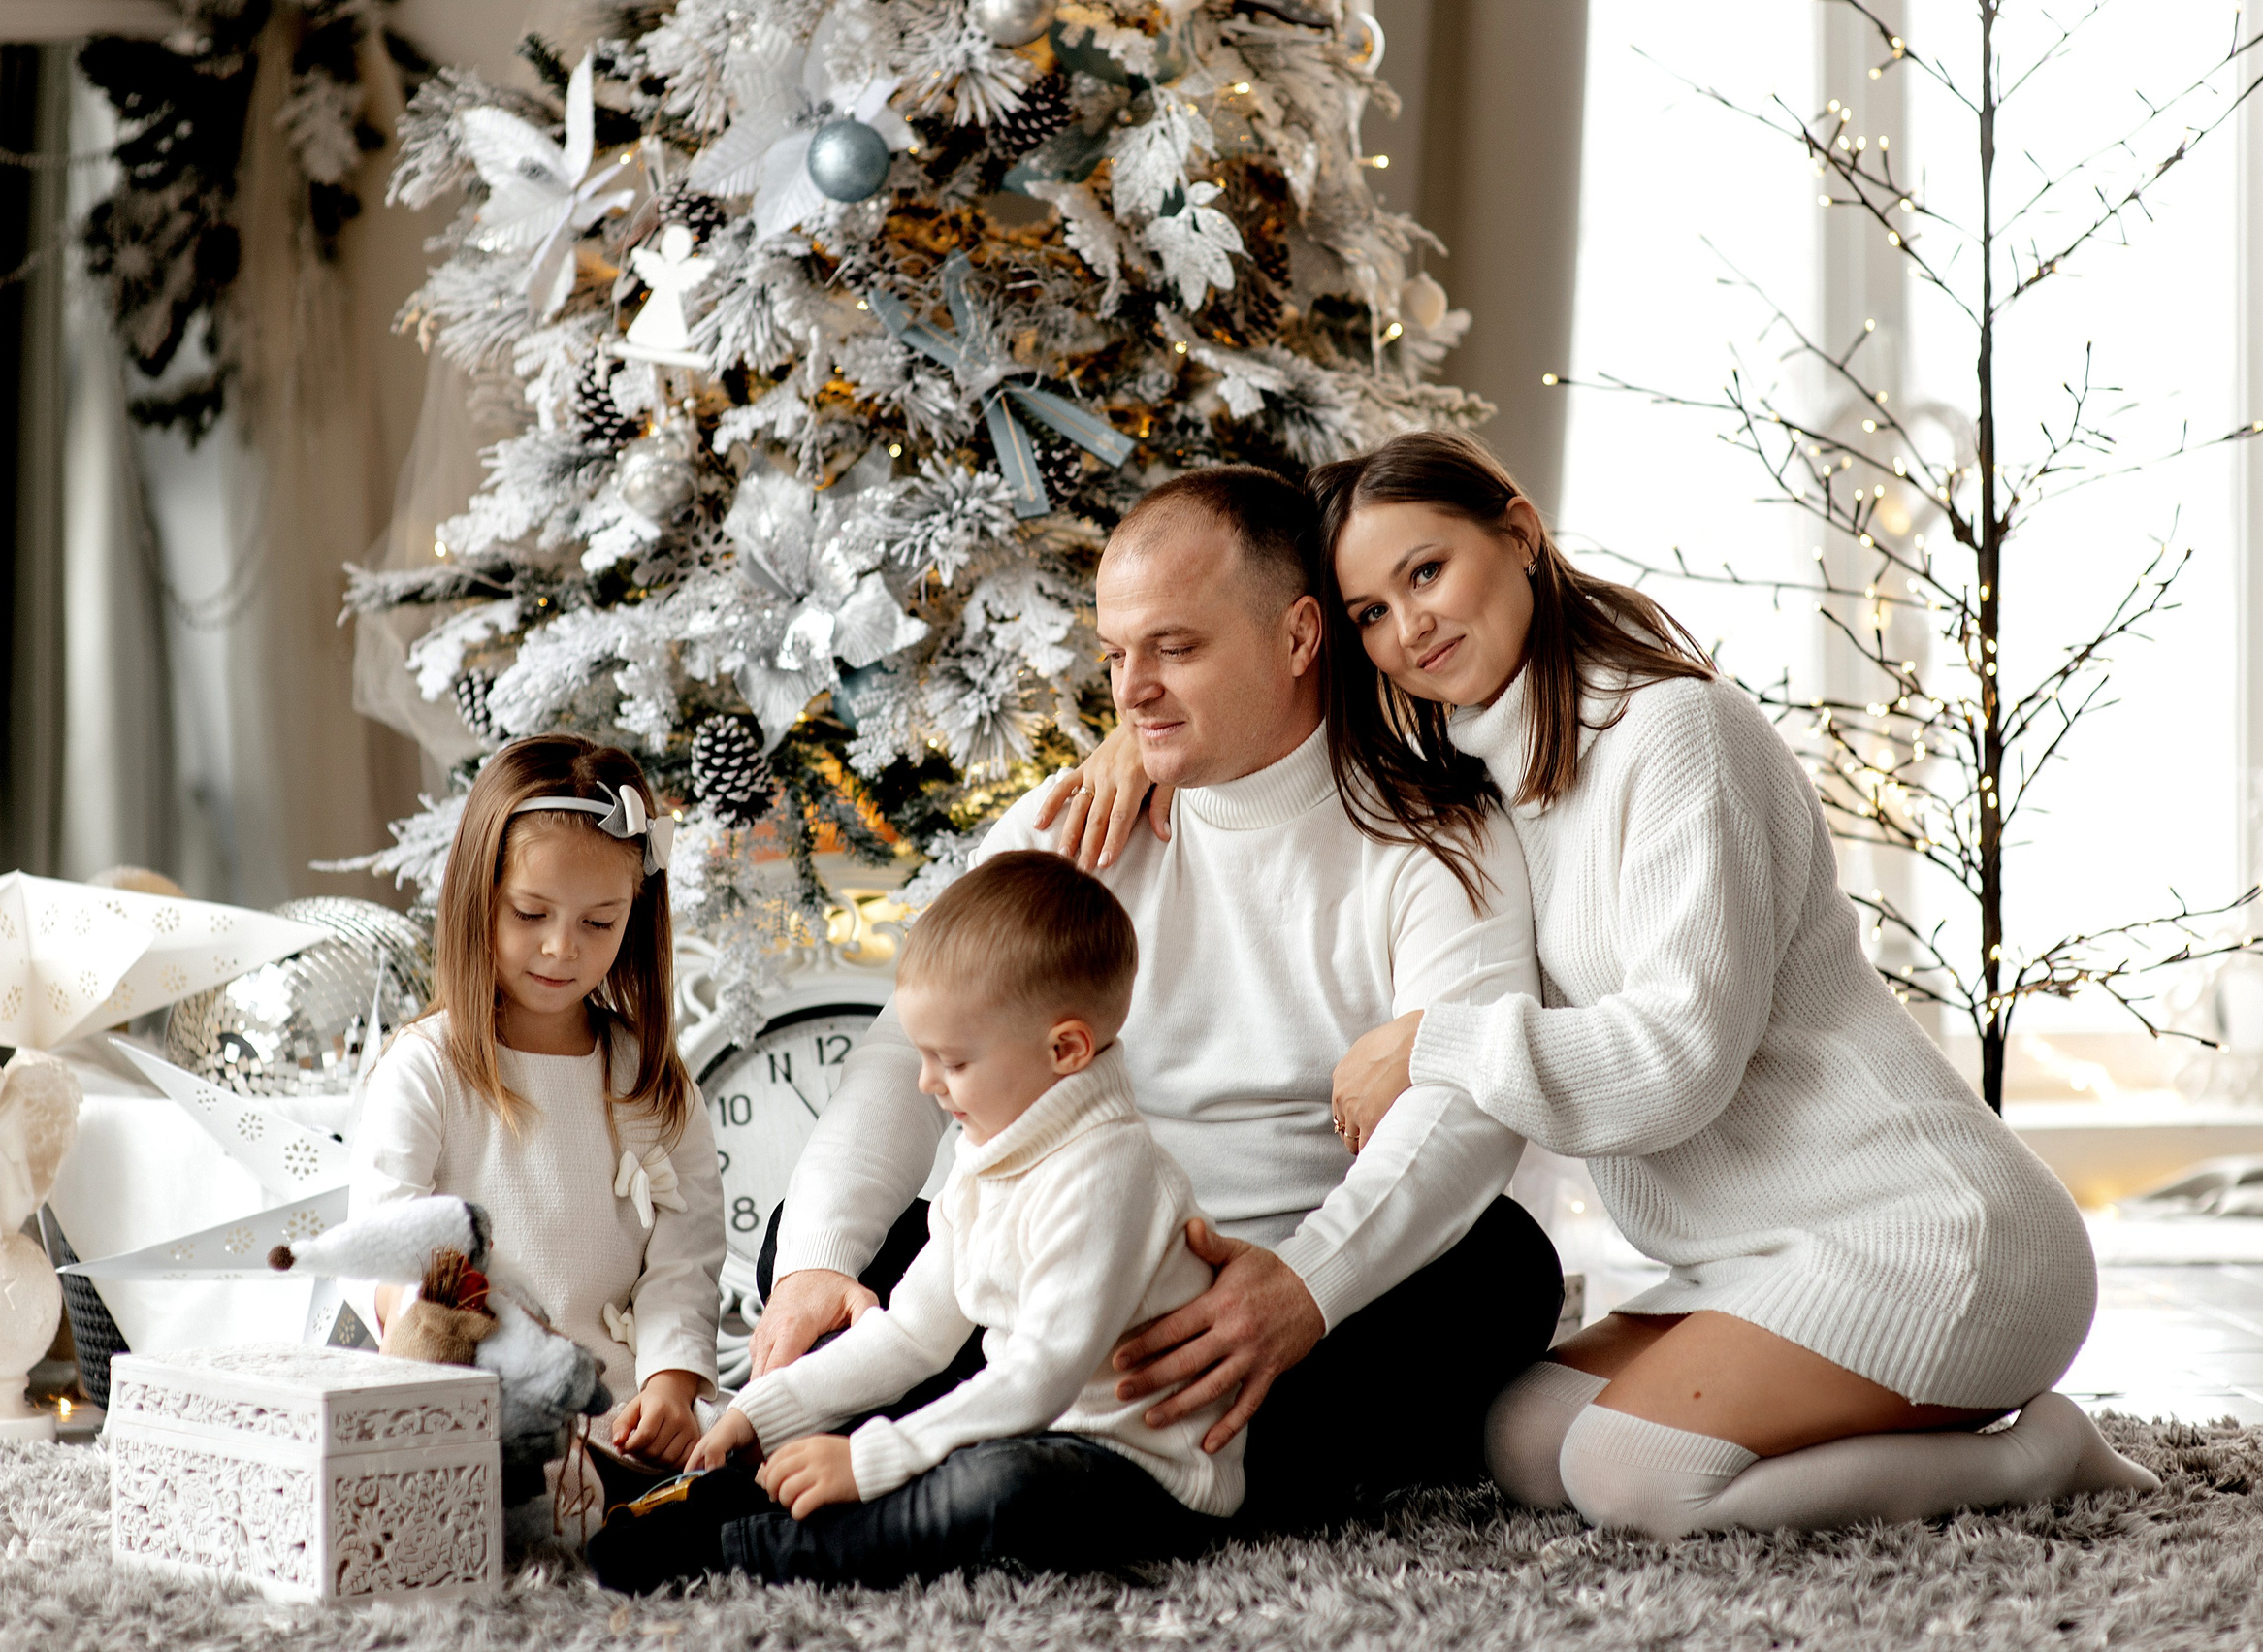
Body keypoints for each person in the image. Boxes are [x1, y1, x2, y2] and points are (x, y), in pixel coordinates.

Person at [1057, 429, 2157, 1539]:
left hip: (1929, 1232)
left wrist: (1434, 1040)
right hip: (1744, 1252)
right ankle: (1889, 1419)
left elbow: (1680, 1062)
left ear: (1519, 535)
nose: (1410, 626)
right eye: (1371, 614)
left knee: (1638, 1474)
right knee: (1527, 1440)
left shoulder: (1676, 732)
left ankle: (2032, 1455)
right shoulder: (1483, 766)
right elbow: (1265, 698)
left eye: (1425, 570)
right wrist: (1136, 743)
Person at [754, 466, 1566, 1524]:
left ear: (1298, 637)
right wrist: (816, 1263)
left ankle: (1067, 1455)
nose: (1130, 689)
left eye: (1174, 648)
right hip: (1061, 1274)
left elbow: (1460, 1107)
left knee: (1502, 1271)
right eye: (1115, 654)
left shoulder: (1435, 838)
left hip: (1264, 1304)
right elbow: (901, 1053)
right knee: (815, 1241)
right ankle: (1065, 1454)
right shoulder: (1074, 822)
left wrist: (1300, 1287)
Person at [592, 851, 1238, 1589]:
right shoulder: (988, 1155)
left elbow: (1039, 1376)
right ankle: (737, 1491)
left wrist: (873, 1457)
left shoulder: (1109, 1173)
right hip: (1022, 1425)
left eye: (952, 1062)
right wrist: (765, 1410)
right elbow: (910, 1333)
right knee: (939, 1452)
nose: (928, 1082)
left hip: (1139, 1470)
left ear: (1066, 1049)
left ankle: (751, 1551)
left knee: (995, 1487)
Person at [351, 734, 725, 1512]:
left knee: (726, 1492)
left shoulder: (653, 1084)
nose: (562, 947)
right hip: (466, 1403)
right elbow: (382, 1248)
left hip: (616, 1421)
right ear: (478, 896)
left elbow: (682, 1265)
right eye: (531, 912)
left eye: (599, 921)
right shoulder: (425, 1069)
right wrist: (439, 1323)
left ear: (635, 915)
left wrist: (671, 1383)